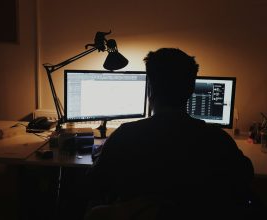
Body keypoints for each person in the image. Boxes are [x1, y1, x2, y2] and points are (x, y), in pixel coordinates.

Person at [84, 48, 254, 219]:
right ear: (191, 89)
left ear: (150, 89)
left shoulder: (125, 135)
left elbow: (93, 184)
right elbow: (244, 177)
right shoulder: (218, 139)